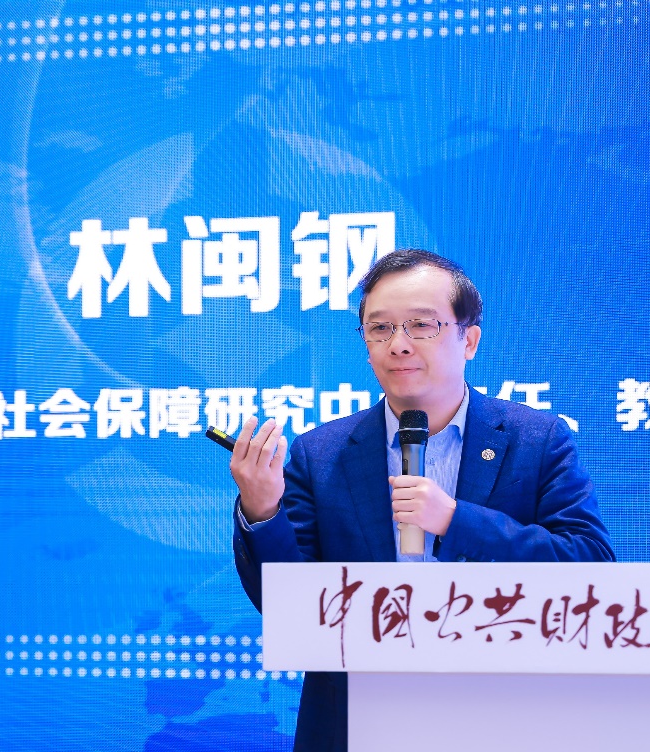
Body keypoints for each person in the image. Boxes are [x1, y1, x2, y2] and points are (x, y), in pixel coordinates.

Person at [228, 249, 615, 752]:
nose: (399, 344)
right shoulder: (320, 454)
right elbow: (290, 610)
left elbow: (591, 568)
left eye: (421, 325)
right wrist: (262, 510)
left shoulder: (536, 440)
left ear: (469, 340)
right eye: (380, 329)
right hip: (357, 722)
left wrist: (456, 520)